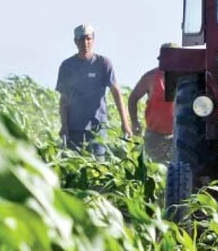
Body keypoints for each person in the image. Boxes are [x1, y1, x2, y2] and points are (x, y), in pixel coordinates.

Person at [56, 24, 132, 158]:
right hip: (75, 127)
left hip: (97, 127)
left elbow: (116, 93)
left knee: (98, 166)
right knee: (74, 167)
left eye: (88, 38)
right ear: (75, 41)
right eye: (81, 39)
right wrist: (64, 126)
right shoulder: (67, 66)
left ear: (93, 40)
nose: (85, 43)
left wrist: (125, 123)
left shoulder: (103, 63)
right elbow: (64, 99)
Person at [128, 45, 176, 165]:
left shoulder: (187, 78)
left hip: (177, 136)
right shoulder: (150, 77)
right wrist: (134, 122)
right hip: (154, 136)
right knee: (153, 172)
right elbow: (133, 98)